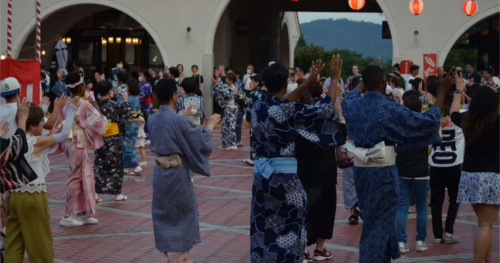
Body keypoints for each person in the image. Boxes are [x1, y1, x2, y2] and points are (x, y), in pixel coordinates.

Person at [341, 63, 454, 263]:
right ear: (384, 82)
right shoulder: (388, 109)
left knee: (377, 222)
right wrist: (443, 90)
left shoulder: (352, 105)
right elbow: (426, 121)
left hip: (361, 173)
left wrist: (363, 83)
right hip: (382, 173)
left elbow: (349, 97)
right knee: (376, 228)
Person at [249, 57, 345, 263]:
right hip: (286, 181)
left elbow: (283, 101)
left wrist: (309, 82)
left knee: (263, 231)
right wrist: (334, 80)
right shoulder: (288, 110)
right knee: (290, 233)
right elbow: (326, 111)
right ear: (286, 83)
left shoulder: (257, 105)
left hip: (262, 180)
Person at [148, 78, 221, 263]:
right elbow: (198, 140)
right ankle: (184, 256)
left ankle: (163, 255)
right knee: (187, 211)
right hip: (177, 173)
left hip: (159, 172)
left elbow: (172, 130)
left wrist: (183, 117)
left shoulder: (152, 118)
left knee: (160, 212)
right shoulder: (178, 120)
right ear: (175, 96)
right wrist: (210, 125)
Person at [5, 98, 79, 263]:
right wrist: (72, 109)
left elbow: (50, 131)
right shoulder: (35, 142)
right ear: (32, 125)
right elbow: (65, 134)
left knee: (13, 242)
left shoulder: (13, 140)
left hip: (15, 196)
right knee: (40, 242)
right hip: (33, 195)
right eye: (40, 122)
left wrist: (47, 108)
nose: (42, 125)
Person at [51, 73, 107, 227]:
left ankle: (83, 211)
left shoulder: (65, 103)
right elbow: (99, 122)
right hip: (78, 141)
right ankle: (67, 215)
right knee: (77, 176)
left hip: (70, 141)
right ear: (81, 86)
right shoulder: (82, 103)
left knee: (84, 174)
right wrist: (95, 106)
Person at [396, 93, 448, 254]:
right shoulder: (424, 126)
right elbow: (438, 140)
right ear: (420, 108)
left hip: (403, 170)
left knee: (402, 207)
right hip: (422, 172)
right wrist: (439, 125)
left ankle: (401, 242)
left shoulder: (401, 126)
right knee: (422, 207)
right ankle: (420, 240)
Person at [453, 84, 499, 263]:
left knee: (484, 224)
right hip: (492, 176)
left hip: (469, 175)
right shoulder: (497, 121)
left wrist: (458, 91)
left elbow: (453, 112)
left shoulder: (467, 120)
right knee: (486, 225)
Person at [296, 88, 340, 261]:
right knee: (325, 211)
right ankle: (320, 249)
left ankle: (304, 249)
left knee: (305, 212)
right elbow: (340, 137)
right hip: (327, 172)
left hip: (304, 174)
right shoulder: (326, 121)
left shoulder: (296, 123)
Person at [428, 78, 464, 245]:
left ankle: (437, 235)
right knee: (455, 198)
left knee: (436, 201)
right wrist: (459, 90)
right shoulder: (459, 118)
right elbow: (456, 109)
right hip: (454, 164)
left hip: (435, 164)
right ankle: (449, 230)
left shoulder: (431, 116)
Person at [94, 80, 131, 202]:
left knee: (99, 165)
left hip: (99, 137)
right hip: (113, 138)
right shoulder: (115, 105)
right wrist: (125, 101)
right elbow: (126, 115)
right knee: (115, 166)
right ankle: (117, 193)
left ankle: (95, 193)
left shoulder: (95, 105)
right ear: (110, 91)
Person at [242, 74, 265, 166]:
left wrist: (248, 118)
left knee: (254, 138)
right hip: (263, 119)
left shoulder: (254, 94)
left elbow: (250, 108)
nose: (251, 83)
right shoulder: (264, 92)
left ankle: (253, 157)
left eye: (252, 81)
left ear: (257, 82)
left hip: (254, 119)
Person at [122, 78, 143, 176]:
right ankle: (125, 167)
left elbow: (126, 110)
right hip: (134, 124)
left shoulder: (130, 98)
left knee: (127, 146)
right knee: (127, 145)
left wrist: (124, 100)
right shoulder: (136, 97)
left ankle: (136, 166)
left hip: (130, 124)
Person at [213, 72, 239, 149]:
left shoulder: (233, 87)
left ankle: (232, 144)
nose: (226, 80)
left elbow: (225, 92)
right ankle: (225, 143)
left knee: (230, 125)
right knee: (225, 125)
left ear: (231, 80)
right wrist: (217, 81)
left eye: (227, 79)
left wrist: (218, 83)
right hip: (228, 107)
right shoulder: (229, 86)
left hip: (232, 108)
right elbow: (222, 89)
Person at [139, 70, 153, 143]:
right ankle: (142, 135)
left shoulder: (147, 85)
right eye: (140, 75)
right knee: (141, 120)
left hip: (146, 104)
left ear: (146, 77)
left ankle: (148, 137)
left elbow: (144, 95)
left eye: (142, 75)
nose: (140, 77)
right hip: (141, 104)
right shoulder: (140, 84)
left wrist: (135, 100)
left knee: (147, 120)